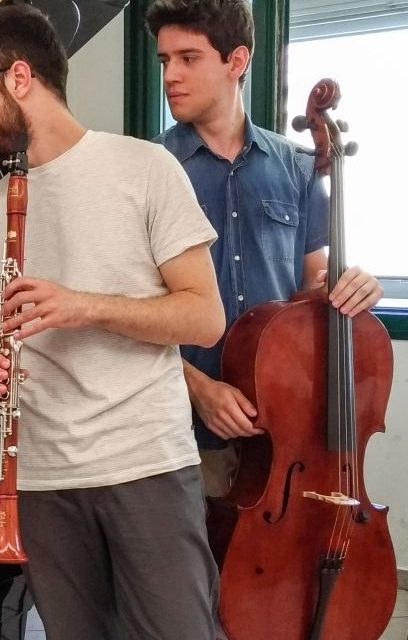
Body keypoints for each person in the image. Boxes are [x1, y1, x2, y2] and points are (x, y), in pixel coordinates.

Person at [0, 5, 225, 638]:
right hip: (40, 481)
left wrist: (85, 305)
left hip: (144, 464)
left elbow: (204, 318)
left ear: (18, 78)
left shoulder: (145, 169)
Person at [145, 0, 385, 497]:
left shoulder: (297, 167)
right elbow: (131, 312)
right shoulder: (146, 169)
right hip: (180, 425)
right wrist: (200, 390)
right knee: (193, 571)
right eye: (165, 60)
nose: (171, 75)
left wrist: (356, 287)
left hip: (284, 422)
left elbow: (313, 288)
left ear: (237, 61)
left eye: (188, 58)